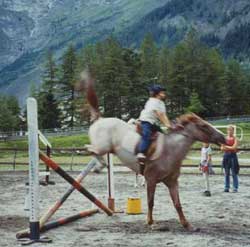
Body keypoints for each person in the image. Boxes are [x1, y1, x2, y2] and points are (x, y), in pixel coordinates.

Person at [136, 84, 174, 164]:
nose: (164, 94)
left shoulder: (161, 103)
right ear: (157, 93)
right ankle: (141, 152)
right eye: (162, 93)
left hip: (153, 123)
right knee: (147, 134)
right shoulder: (152, 101)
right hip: (146, 121)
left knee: (164, 134)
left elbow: (164, 115)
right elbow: (158, 114)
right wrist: (166, 124)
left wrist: (169, 125)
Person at [221, 125, 240, 193]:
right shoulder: (225, 138)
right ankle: (227, 187)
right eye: (228, 130)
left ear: (233, 131)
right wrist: (229, 147)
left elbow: (234, 147)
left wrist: (226, 146)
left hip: (233, 156)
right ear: (227, 130)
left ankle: (235, 187)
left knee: (234, 172)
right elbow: (221, 148)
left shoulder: (235, 138)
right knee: (226, 173)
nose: (230, 131)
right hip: (226, 156)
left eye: (231, 130)